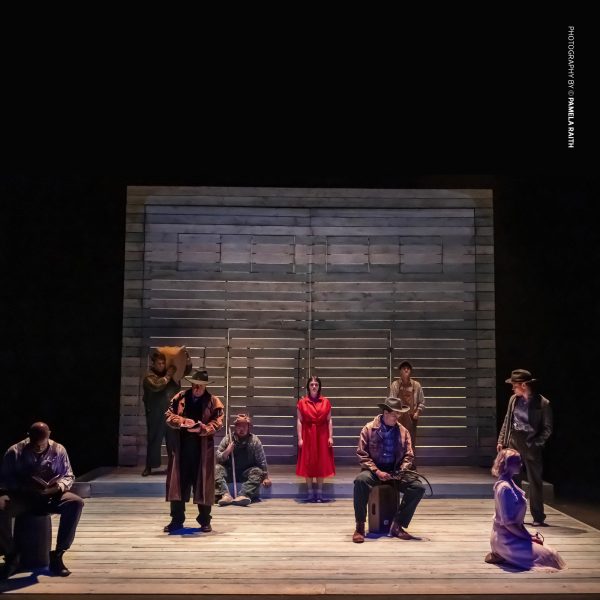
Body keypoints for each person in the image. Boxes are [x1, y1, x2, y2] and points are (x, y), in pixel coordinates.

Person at [0, 422, 84, 578]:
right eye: (35, 444)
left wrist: (54, 488)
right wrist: (24, 486)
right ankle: (11, 554)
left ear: (49, 435)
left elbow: (68, 476)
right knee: (0, 506)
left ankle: (58, 554)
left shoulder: (58, 450)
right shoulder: (15, 452)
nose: (38, 448)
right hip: (23, 497)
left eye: (42, 444)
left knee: (75, 502)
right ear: (29, 436)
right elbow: (4, 480)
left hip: (50, 495)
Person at [352, 397, 425, 543]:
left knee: (418, 487)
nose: (397, 417)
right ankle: (360, 526)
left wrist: (401, 471)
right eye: (394, 414)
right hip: (374, 471)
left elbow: (409, 455)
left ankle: (397, 525)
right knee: (360, 481)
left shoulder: (403, 432)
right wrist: (377, 471)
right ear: (385, 413)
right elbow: (362, 454)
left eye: (398, 414)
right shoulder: (369, 429)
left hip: (395, 472)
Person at [163, 369, 224, 533]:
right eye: (195, 385)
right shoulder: (180, 398)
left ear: (205, 387)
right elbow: (169, 415)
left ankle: (205, 520)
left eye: (200, 386)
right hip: (182, 449)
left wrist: (202, 429)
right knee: (179, 485)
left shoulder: (213, 401)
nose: (197, 388)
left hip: (202, 451)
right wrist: (183, 421)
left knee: (203, 484)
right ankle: (177, 520)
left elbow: (217, 422)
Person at [486, 448, 565, 571]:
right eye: (517, 462)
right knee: (548, 556)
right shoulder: (504, 488)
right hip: (506, 538)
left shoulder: (510, 482)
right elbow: (508, 523)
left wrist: (529, 535)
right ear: (506, 465)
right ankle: (502, 553)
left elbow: (516, 523)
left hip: (513, 533)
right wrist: (527, 538)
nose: (521, 464)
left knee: (550, 552)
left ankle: (506, 555)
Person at [497, 369, 552, 526]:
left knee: (535, 482)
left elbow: (547, 429)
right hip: (515, 442)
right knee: (513, 480)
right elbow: (507, 420)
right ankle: (515, 515)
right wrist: (502, 439)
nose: (513, 389)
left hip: (531, 444)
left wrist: (536, 443)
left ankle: (538, 516)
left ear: (524, 385)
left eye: (515, 386)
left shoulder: (543, 403)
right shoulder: (513, 400)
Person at [142, 347, 192, 476]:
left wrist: (186, 361)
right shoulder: (149, 377)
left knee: (173, 440)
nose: (161, 365)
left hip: (172, 413)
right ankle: (149, 466)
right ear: (153, 363)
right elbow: (157, 386)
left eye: (163, 363)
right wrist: (168, 375)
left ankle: (174, 466)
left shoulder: (172, 376)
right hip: (155, 414)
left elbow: (184, 371)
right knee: (154, 439)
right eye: (159, 363)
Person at [215, 414, 272, 506]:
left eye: (244, 426)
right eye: (239, 426)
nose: (241, 429)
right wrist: (227, 451)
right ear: (235, 427)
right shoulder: (228, 439)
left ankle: (243, 495)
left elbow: (261, 460)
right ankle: (225, 495)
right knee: (216, 468)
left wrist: (266, 477)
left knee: (257, 471)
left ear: (249, 427)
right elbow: (218, 457)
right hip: (230, 471)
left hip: (246, 472)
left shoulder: (254, 441)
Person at [296, 375, 335, 502]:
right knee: (308, 462)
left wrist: (330, 437)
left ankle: (319, 492)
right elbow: (300, 421)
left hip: (322, 435)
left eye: (316, 384)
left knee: (321, 462)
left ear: (319, 387)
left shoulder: (326, 402)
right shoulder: (302, 403)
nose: (314, 386)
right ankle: (309, 491)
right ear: (308, 386)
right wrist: (300, 438)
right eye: (312, 384)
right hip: (308, 434)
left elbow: (329, 420)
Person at [388, 360, 425, 450]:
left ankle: (411, 463)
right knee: (398, 440)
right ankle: (398, 463)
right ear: (400, 371)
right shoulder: (395, 385)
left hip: (412, 418)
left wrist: (417, 413)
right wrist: (395, 415)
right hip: (399, 418)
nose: (406, 370)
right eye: (404, 368)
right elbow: (391, 401)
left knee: (411, 441)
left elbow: (422, 401)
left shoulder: (416, 385)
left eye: (408, 368)